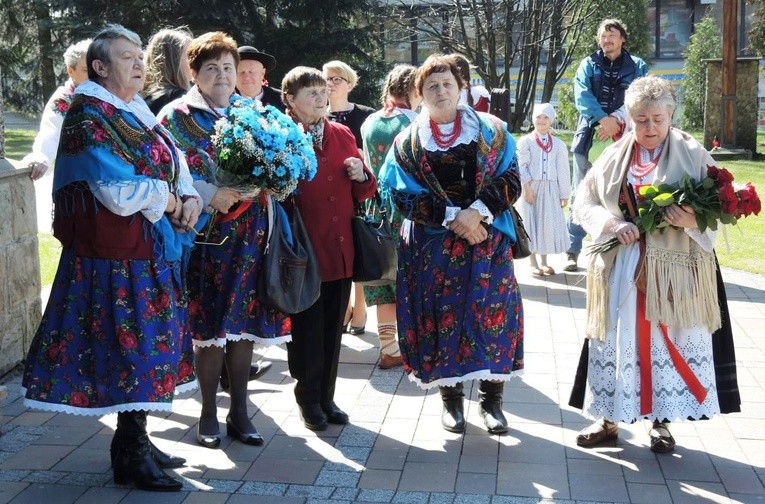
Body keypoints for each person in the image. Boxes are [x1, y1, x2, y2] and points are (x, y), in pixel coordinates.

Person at [21, 24, 202, 491]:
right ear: (100, 67)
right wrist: (169, 200)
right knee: (129, 350)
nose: (139, 63)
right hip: (113, 260)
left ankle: (136, 437)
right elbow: (114, 192)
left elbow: (171, 159)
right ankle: (130, 454)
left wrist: (187, 195)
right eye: (126, 57)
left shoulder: (134, 107)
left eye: (141, 55)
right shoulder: (88, 113)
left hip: (144, 252)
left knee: (146, 345)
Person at [568, 75, 739, 453]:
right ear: (629, 118)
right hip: (622, 269)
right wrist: (612, 223)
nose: (650, 128)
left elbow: (725, 205)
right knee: (617, 339)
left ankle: (660, 423)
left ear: (671, 116)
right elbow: (583, 201)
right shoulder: (613, 156)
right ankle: (609, 420)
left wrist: (689, 218)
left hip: (674, 271)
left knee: (667, 338)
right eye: (641, 119)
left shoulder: (692, 153)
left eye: (658, 119)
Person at [378, 54, 524, 435]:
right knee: (440, 322)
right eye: (431, 86)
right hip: (432, 248)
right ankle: (451, 401)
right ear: (419, 94)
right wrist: (452, 218)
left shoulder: (492, 130)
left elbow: (511, 178)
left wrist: (476, 213)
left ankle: (492, 403)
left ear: (462, 87)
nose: (441, 91)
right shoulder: (408, 142)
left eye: (447, 84)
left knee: (493, 319)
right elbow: (399, 195)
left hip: (486, 241)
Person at [159, 32, 290, 449]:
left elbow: (277, 164)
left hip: (250, 234)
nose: (221, 75)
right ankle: (207, 413)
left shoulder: (251, 112)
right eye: (211, 67)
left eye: (228, 68)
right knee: (210, 326)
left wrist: (273, 180)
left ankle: (239, 412)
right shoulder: (175, 117)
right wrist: (209, 192)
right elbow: (165, 173)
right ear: (193, 73)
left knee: (244, 326)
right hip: (204, 239)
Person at [281, 66, 377, 431]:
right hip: (302, 251)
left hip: (340, 249)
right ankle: (308, 399)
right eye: (312, 93)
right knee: (306, 330)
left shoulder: (341, 134)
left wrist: (361, 175)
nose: (322, 98)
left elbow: (365, 192)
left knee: (332, 329)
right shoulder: (283, 136)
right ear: (290, 99)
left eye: (324, 91)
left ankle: (327, 397)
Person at [565, 18, 647, 272]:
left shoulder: (638, 66)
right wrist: (602, 119)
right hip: (588, 137)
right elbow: (582, 95)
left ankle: (613, 248)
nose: (607, 39)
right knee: (580, 191)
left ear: (623, 38)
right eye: (603, 35)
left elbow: (640, 94)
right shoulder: (587, 64)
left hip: (625, 139)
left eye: (612, 35)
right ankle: (572, 248)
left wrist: (617, 119)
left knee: (620, 193)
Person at [359, 64, 420, 369]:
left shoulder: (370, 121)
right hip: (407, 210)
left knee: (382, 280)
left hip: (374, 208)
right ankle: (413, 345)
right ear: (413, 89)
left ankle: (388, 348)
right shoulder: (416, 121)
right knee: (410, 280)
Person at [323, 60, 376, 335]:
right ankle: (343, 309)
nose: (331, 83)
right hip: (331, 193)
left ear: (350, 83)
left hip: (359, 189)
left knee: (359, 248)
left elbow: (376, 155)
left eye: (337, 79)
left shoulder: (365, 115)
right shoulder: (319, 114)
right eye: (327, 78)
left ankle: (361, 308)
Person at [515, 103, 570, 276]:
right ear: (533, 119)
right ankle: (533, 262)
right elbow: (521, 166)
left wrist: (564, 193)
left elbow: (562, 169)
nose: (541, 120)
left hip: (550, 189)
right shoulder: (526, 142)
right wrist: (527, 188)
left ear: (551, 120)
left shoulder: (559, 145)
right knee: (531, 222)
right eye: (538, 117)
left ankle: (545, 262)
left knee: (546, 223)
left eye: (546, 117)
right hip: (532, 187)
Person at [23, 39, 91, 181]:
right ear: (70, 71)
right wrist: (42, 157)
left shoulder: (107, 93)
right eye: (86, 70)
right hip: (78, 180)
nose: (92, 75)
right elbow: (51, 130)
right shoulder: (64, 100)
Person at [142, 27, 193, 115]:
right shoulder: (179, 100)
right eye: (189, 55)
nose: (194, 60)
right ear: (174, 61)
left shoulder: (146, 98)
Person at [236, 45, 285, 112]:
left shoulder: (282, 100)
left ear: (262, 73)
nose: (246, 77)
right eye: (240, 71)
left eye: (251, 71)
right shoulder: (222, 102)